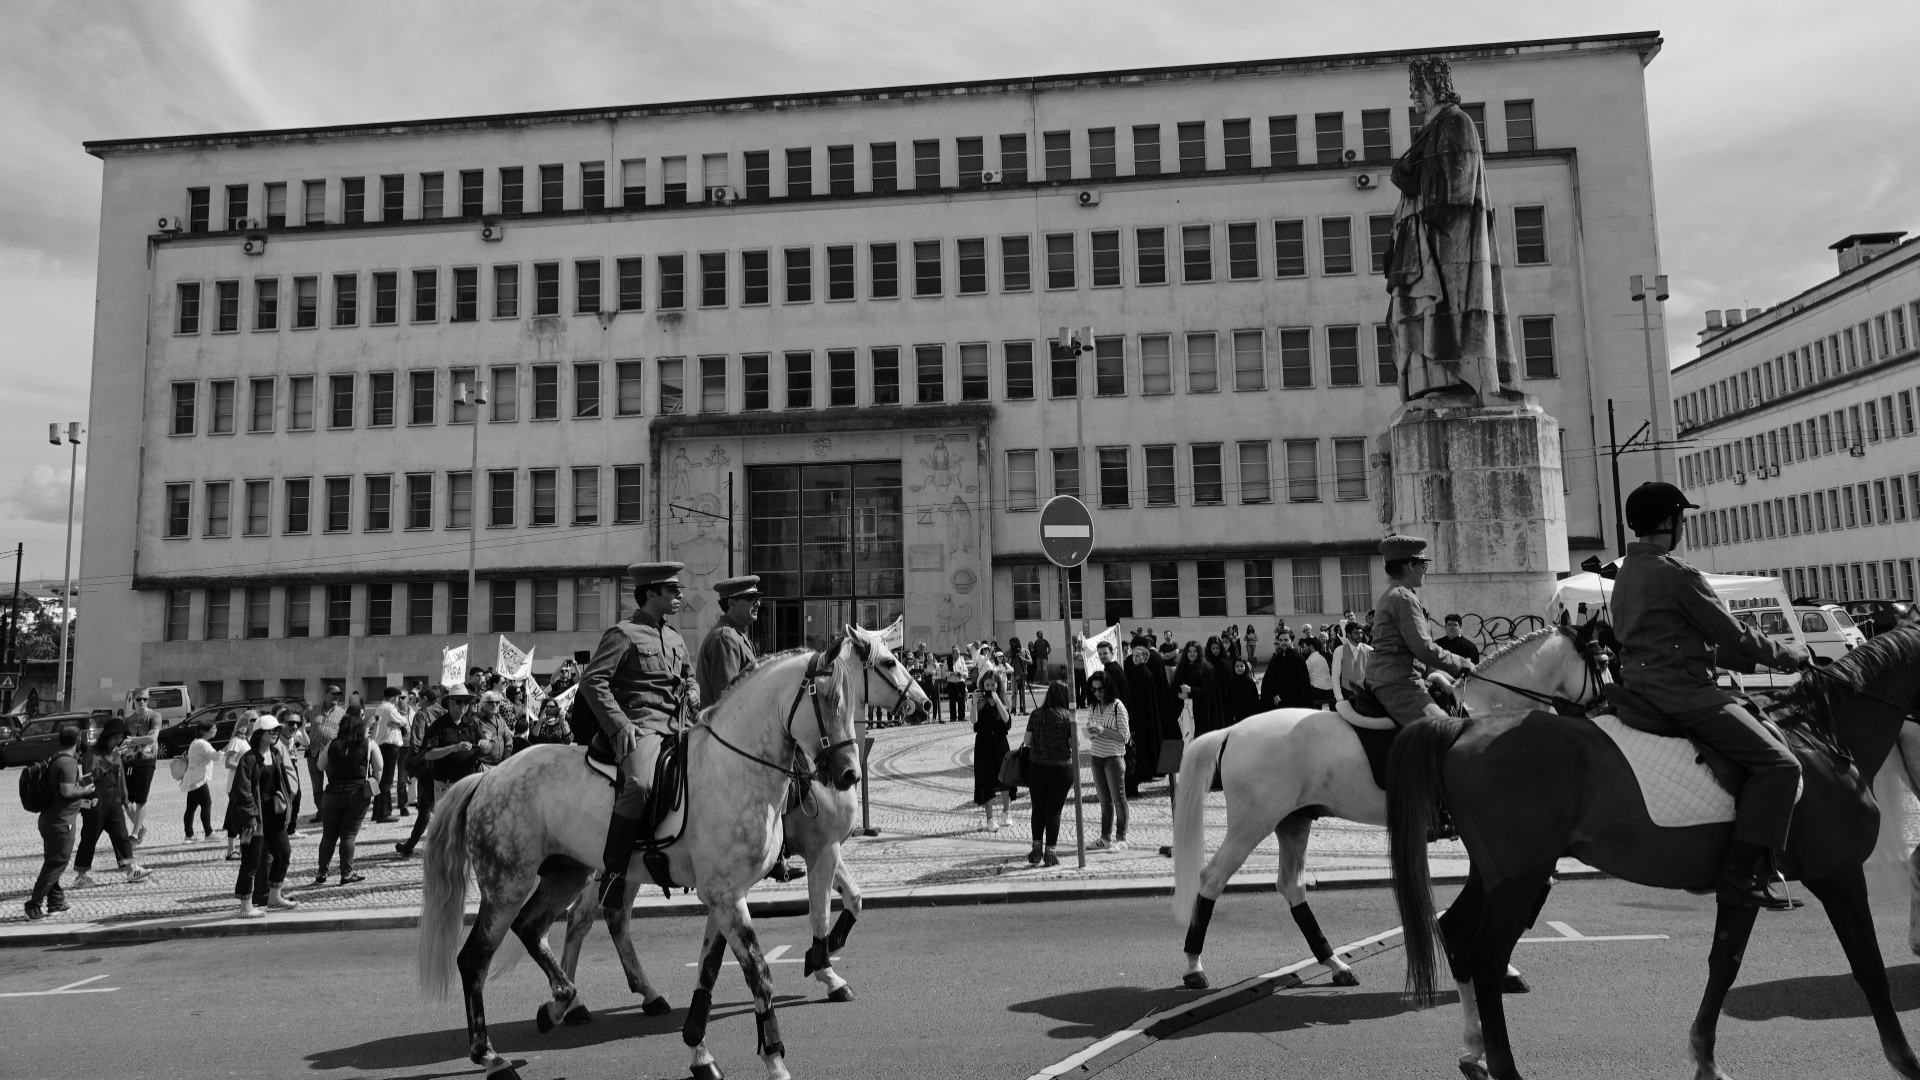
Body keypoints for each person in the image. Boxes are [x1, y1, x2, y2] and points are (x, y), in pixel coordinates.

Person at [1609, 481, 1809, 911]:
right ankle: (1741, 873)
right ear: (1668, 522)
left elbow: (1679, 639)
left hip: (1639, 688)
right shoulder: (1675, 573)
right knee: (1780, 764)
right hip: (1681, 693)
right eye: (1681, 518)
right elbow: (1731, 632)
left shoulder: (1626, 570)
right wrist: (1789, 657)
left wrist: (1749, 665)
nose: (1682, 526)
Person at [580, 562, 699, 906]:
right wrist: (620, 724)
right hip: (642, 727)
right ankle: (613, 874)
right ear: (652, 594)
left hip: (679, 727)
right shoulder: (624, 634)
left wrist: (693, 692)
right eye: (672, 591)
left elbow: (688, 677)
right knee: (640, 786)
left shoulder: (675, 637)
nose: (679, 596)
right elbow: (592, 681)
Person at [1364, 535, 1476, 724]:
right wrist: (1462, 664)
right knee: (1445, 729)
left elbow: (1410, 650)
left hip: (1393, 678)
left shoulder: (1396, 594)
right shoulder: (1403, 598)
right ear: (1409, 565)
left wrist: (1445, 675)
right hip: (1399, 684)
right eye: (1423, 566)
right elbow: (1423, 648)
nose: (1425, 571)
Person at [72, 717, 155, 888]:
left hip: (114, 801)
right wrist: (111, 759)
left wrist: (125, 799)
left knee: (121, 836)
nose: (118, 741)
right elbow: (89, 777)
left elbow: (120, 776)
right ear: (107, 736)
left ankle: (132, 869)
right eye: (115, 738)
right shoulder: (92, 753)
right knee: (89, 838)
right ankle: (81, 875)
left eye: (120, 738)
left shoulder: (115, 753)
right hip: (94, 803)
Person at [230, 717, 298, 918]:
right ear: (260, 733)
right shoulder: (249, 758)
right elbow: (241, 792)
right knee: (251, 862)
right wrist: (250, 818)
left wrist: (288, 806)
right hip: (254, 818)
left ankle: (274, 897)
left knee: (284, 853)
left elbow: (283, 783)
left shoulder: (276, 753)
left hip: (274, 815)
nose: (276, 733)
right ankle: (245, 906)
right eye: (271, 730)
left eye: (277, 730)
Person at [27, 724, 94, 919]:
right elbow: (67, 791)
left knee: (53, 862)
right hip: (61, 823)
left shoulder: (55, 759)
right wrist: (86, 790)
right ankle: (33, 905)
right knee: (56, 863)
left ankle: (56, 902)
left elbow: (62, 792)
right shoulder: (68, 763)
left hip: (51, 819)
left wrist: (84, 800)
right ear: (78, 740)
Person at [313, 710, 381, 887]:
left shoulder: (333, 744)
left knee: (328, 836)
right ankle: (347, 873)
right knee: (348, 836)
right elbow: (379, 767)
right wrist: (374, 780)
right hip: (357, 794)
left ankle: (322, 872)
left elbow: (320, 766)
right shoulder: (369, 744)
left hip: (332, 793)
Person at [1022, 682, 1077, 868]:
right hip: (1061, 769)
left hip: (1037, 768)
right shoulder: (1067, 717)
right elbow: (1073, 744)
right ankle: (1050, 852)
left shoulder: (1036, 715)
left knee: (1038, 809)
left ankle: (1036, 848)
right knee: (1053, 811)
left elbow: (1027, 741)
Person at [394, 686, 447, 859]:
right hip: (444, 764)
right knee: (424, 808)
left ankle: (447, 846)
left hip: (427, 767)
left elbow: (416, 743)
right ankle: (409, 846)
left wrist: (411, 766)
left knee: (436, 809)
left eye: (419, 699)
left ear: (424, 698)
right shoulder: (446, 713)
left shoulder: (422, 715)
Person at [696, 575, 761, 706]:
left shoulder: (736, 633)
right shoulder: (726, 637)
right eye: (751, 598)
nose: (758, 603)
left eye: (758, 598)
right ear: (732, 603)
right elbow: (727, 699)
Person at [1121, 636, 1172, 801]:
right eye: (1134, 656)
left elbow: (1142, 697)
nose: (1135, 659)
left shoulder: (1144, 673)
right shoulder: (1139, 671)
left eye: (1138, 656)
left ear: (1145, 657)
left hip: (1142, 715)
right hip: (1141, 714)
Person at [1085, 670, 1131, 851]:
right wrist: (1091, 732)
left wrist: (1103, 730)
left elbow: (1124, 736)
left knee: (1119, 799)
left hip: (1113, 757)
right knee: (1104, 801)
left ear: (1108, 687)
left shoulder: (1118, 707)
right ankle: (1105, 837)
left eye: (1100, 689)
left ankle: (1121, 838)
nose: (1097, 693)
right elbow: (1091, 730)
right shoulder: (1094, 707)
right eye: (1094, 689)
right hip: (1096, 756)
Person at [972, 669, 1017, 831]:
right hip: (983, 744)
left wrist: (998, 702)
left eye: (992, 684)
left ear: (998, 685)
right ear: (982, 685)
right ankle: (989, 819)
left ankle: (1006, 812)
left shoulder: (1003, 700)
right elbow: (974, 723)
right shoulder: (980, 701)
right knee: (986, 781)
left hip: (1000, 743)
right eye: (987, 684)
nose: (989, 687)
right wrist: (973, 704)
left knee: (1004, 778)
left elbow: (1007, 721)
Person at [122, 691, 161, 845]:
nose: (142, 702)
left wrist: (132, 740)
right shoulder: (128, 719)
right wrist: (136, 741)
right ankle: (141, 828)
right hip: (129, 759)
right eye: (139, 699)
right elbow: (123, 741)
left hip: (147, 759)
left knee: (141, 798)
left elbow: (152, 738)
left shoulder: (154, 716)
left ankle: (135, 833)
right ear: (133, 700)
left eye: (145, 699)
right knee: (125, 800)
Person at [306, 685, 346, 824]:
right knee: (317, 786)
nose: (336, 697)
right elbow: (300, 726)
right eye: (333, 694)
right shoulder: (312, 710)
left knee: (334, 783)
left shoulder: (342, 712)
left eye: (338, 694)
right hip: (314, 753)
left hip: (332, 754)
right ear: (325, 694)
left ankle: (334, 811)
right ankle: (321, 812)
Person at [221, 712, 257, 861]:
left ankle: (240, 849)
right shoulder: (237, 740)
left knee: (238, 817)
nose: (255, 722)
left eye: (257, 719)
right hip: (236, 785)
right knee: (236, 818)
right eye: (253, 720)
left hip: (244, 783)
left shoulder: (248, 740)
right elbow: (228, 763)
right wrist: (247, 767)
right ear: (245, 722)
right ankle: (232, 850)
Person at [1173, 640, 1226, 739]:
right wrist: (1178, 694)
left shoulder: (1206, 669)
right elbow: (1174, 688)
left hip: (1202, 712)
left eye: (1195, 651)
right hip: (1184, 711)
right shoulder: (1182, 668)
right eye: (1189, 651)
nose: (1192, 654)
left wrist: (1191, 690)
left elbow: (1210, 692)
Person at [179, 718, 220, 841]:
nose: (216, 731)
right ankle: (208, 833)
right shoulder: (202, 743)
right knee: (206, 804)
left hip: (193, 777)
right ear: (204, 731)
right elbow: (215, 756)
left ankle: (189, 834)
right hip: (198, 778)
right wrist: (225, 750)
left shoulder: (196, 742)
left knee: (191, 808)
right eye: (213, 729)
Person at [371, 687, 407, 822]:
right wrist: (401, 716)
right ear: (394, 697)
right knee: (387, 781)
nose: (400, 700)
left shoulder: (380, 707)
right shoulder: (390, 708)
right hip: (390, 746)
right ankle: (385, 812)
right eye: (399, 698)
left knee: (382, 780)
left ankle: (378, 812)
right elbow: (403, 721)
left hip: (382, 745)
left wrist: (396, 723)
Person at [1261, 629, 1315, 709]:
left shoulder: (1297, 658)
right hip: (1278, 702)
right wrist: (1275, 694)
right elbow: (1270, 679)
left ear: (1292, 641)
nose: (1283, 643)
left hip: (1293, 703)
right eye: (1280, 640)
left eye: (1286, 640)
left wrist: (1283, 697)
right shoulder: (1278, 657)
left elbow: (1300, 685)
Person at [1332, 621, 1376, 705]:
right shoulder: (1339, 651)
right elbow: (1335, 676)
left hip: (1365, 693)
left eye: (1361, 633)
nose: (1359, 635)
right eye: (1355, 633)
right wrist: (1339, 698)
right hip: (1347, 693)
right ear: (1348, 634)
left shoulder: (1369, 650)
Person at [1225, 658, 1263, 723]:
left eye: (1242, 666)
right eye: (1237, 666)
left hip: (1248, 714)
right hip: (1235, 715)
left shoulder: (1249, 682)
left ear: (1245, 667)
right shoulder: (1231, 681)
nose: (1239, 668)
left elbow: (1255, 699)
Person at [1304, 634, 1335, 709]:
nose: (1304, 649)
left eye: (1305, 646)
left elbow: (1302, 675)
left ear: (1310, 647)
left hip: (1319, 691)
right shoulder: (1321, 657)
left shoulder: (1310, 660)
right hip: (1330, 691)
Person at [944, 646, 970, 725]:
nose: (958, 656)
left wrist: (963, 674)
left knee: (961, 700)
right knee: (952, 701)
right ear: (952, 654)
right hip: (951, 683)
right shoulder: (947, 661)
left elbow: (966, 671)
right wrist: (951, 673)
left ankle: (961, 716)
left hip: (960, 682)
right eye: (956, 654)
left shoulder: (961, 660)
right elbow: (943, 673)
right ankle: (953, 717)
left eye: (959, 654)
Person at [1006, 638, 1031, 712]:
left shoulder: (1025, 650)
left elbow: (1030, 661)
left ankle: (1022, 707)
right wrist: (1011, 649)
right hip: (1014, 674)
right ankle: (1013, 707)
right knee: (1014, 692)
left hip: (1022, 674)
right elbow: (1004, 655)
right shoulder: (1011, 652)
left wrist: (1023, 659)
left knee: (1022, 692)